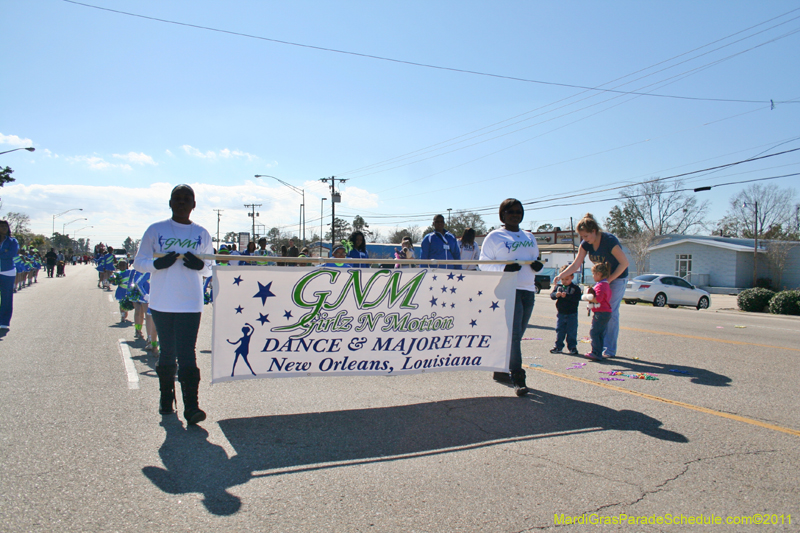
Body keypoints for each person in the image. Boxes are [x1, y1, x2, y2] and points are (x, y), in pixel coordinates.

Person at [134, 184, 213, 425]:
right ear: (170, 203)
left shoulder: (202, 233)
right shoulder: (155, 230)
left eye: (186, 199)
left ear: (194, 204)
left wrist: (200, 266)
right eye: (177, 199)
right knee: (168, 352)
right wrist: (156, 265)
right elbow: (139, 262)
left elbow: (211, 267)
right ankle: (166, 398)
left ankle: (191, 406)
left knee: (187, 352)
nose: (181, 202)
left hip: (190, 303)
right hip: (162, 302)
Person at [479, 199, 543, 396]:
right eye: (511, 211)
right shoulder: (495, 236)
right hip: (508, 290)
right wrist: (503, 268)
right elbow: (483, 264)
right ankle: (518, 376)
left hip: (528, 289)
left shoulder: (529, 236)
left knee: (518, 333)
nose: (516, 214)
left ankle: (500, 367)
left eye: (519, 211)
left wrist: (536, 265)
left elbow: (534, 258)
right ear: (502, 215)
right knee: (514, 334)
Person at [553, 213, 629, 358]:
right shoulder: (586, 244)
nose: (584, 239)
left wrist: (608, 280)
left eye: (586, 236)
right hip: (603, 279)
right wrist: (560, 275)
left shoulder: (609, 241)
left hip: (617, 277)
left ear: (594, 231)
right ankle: (599, 347)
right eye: (582, 237)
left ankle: (609, 349)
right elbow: (576, 264)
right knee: (600, 311)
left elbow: (624, 263)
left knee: (610, 311)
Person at [581, 263, 613, 361]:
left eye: (594, 274)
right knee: (599, 333)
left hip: (601, 312)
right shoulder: (606, 284)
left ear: (599, 274)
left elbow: (598, 299)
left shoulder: (601, 285)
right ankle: (598, 352)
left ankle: (596, 353)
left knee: (594, 332)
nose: (593, 276)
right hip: (606, 312)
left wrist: (587, 297)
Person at [549, 265, 582, 355]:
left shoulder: (575, 288)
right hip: (561, 313)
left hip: (572, 313)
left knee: (572, 331)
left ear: (572, 277)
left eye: (567, 279)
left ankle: (572, 347)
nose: (564, 281)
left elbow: (577, 298)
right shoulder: (558, 287)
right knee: (560, 330)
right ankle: (558, 346)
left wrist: (566, 296)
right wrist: (556, 294)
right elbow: (552, 296)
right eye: (563, 279)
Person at [0, 220, 19, 338]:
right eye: (1, 226)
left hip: (8, 272)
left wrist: (4, 252)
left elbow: (11, 253)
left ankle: (3, 322)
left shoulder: (13, 241)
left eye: (5, 226)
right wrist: (3, 251)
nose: (3, 228)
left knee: (6, 297)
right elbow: (5, 253)